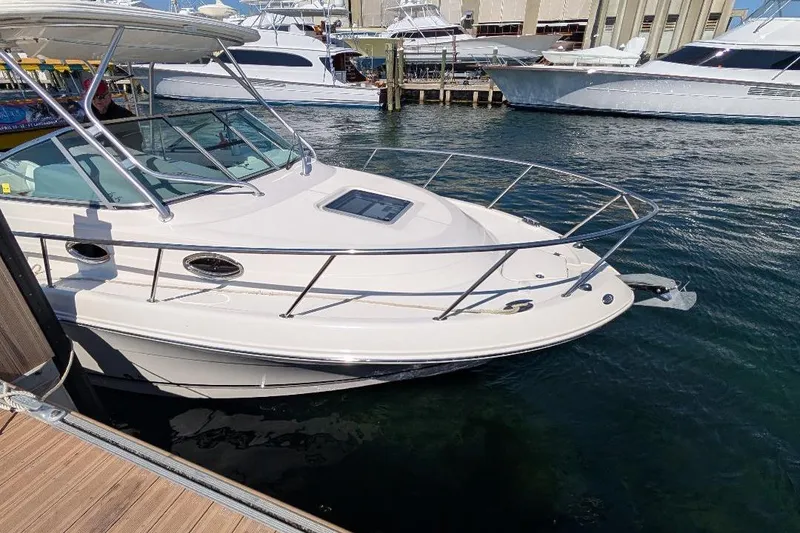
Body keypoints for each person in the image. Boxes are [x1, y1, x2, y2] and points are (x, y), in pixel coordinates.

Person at [83, 78, 142, 151]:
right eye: (92, 97)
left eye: (100, 96)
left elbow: (135, 144)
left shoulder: (125, 116)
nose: (97, 100)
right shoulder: (89, 116)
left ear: (109, 95)